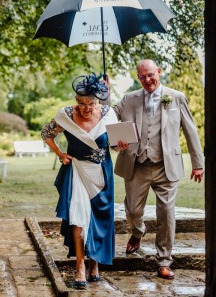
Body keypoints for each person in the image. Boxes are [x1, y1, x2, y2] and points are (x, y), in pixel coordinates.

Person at [113, 59, 204, 280]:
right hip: (137, 165)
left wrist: (198, 163)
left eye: (151, 75)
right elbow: (107, 116)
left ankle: (164, 261)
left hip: (167, 166)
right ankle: (137, 231)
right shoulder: (128, 99)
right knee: (133, 210)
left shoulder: (176, 97)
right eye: (142, 77)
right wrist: (104, 95)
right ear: (138, 77)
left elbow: (191, 131)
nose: (147, 80)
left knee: (167, 213)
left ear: (159, 72)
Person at [41, 73, 118, 289]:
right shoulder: (65, 115)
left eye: (91, 103)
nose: (86, 108)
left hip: (101, 174)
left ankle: (95, 263)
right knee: (77, 217)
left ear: (98, 99)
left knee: (99, 218)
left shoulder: (108, 114)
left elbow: (114, 145)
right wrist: (60, 154)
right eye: (82, 103)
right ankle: (80, 265)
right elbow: (46, 133)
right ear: (76, 100)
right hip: (76, 170)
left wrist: (120, 146)